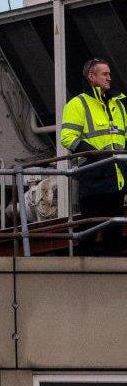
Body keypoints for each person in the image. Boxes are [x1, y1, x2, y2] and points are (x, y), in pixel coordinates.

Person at [60, 58, 127, 254]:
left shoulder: (118, 104)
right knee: (90, 228)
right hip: (94, 177)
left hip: (117, 177)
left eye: (109, 74)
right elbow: (68, 137)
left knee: (114, 231)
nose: (109, 78)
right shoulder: (78, 104)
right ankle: (85, 271)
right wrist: (96, 156)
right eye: (105, 74)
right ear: (91, 76)